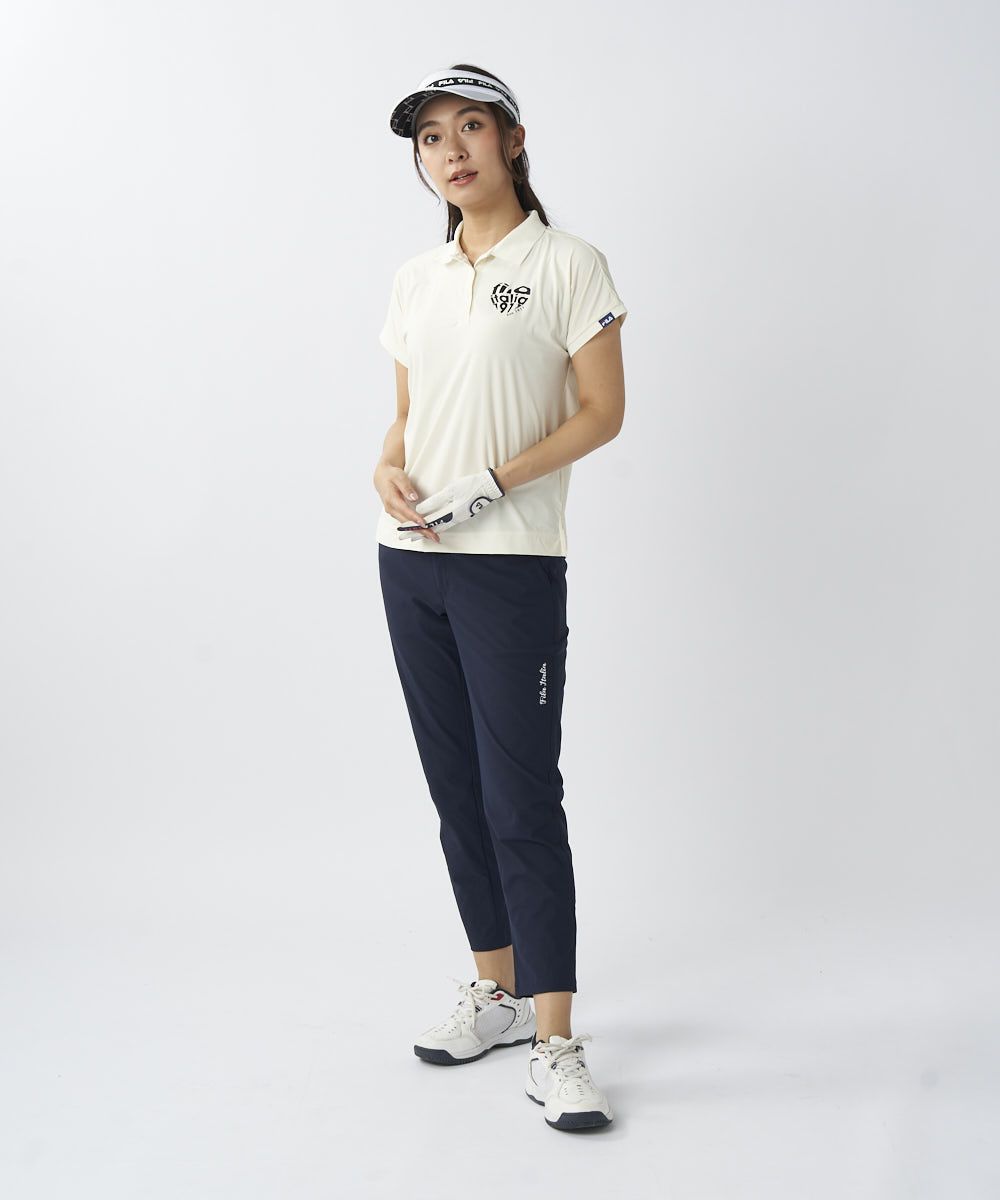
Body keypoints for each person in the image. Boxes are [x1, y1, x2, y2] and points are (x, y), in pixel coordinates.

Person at [373, 64, 627, 1132]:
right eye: (431, 138)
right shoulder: (418, 277)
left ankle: (557, 1039)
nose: (451, 150)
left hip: (510, 562)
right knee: (457, 791)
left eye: (469, 127)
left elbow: (601, 412)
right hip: (409, 559)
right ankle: (499, 992)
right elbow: (408, 414)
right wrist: (386, 466)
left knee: (521, 797)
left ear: (512, 140)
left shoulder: (567, 263)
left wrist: (496, 481)